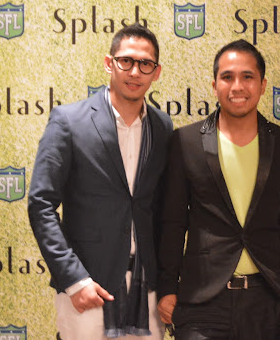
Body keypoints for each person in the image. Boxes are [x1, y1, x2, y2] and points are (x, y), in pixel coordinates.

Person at [28, 23, 173, 339]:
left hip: (146, 289)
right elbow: (41, 204)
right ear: (110, 63)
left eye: (145, 64)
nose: (134, 72)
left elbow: (162, 211)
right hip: (88, 288)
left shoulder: (162, 127)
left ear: (156, 72)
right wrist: (73, 280)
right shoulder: (69, 121)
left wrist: (167, 283)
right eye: (126, 61)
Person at [156, 39, 280, 339]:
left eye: (247, 76)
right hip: (201, 301)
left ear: (262, 85)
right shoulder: (186, 142)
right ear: (214, 85)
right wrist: (167, 288)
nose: (237, 86)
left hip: (265, 301)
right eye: (227, 77)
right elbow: (173, 222)